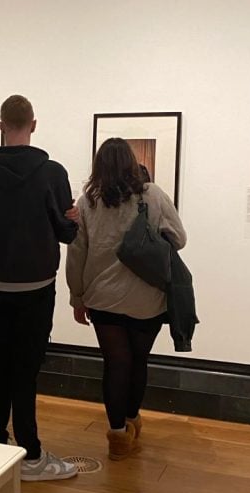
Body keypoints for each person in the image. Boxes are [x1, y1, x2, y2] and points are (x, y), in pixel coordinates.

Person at [0, 94, 79, 481]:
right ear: (33, 125)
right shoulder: (52, 172)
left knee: (0, 367)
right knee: (26, 369)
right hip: (37, 285)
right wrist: (74, 219)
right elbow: (66, 232)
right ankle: (30, 453)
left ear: (1, 124)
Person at [66, 138, 186, 460]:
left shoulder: (88, 202)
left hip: (102, 298)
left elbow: (77, 253)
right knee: (138, 361)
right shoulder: (153, 195)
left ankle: (117, 435)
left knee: (115, 365)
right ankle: (132, 419)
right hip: (147, 297)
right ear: (132, 163)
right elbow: (179, 238)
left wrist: (77, 296)